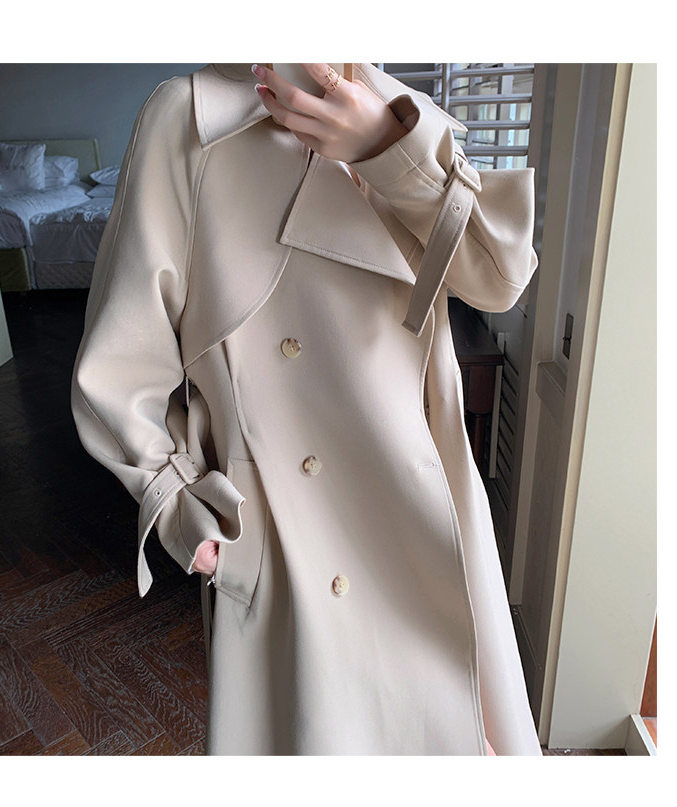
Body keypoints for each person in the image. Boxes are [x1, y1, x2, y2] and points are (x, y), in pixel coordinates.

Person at [71, 62, 541, 755]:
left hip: (429, 509)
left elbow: (501, 277)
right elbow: (119, 365)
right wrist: (176, 502)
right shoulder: (190, 119)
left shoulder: (396, 111)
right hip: (297, 537)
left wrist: (386, 148)